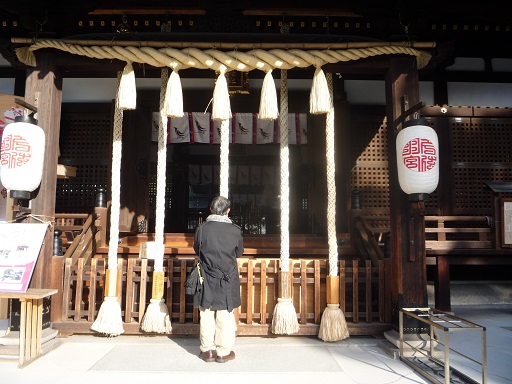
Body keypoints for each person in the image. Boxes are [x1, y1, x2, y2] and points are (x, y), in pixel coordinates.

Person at [193, 195, 244, 363]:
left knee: (206, 312)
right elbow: (239, 253)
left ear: (211, 209)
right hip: (227, 277)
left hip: (206, 276)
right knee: (225, 313)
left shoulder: (202, 229)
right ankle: (222, 352)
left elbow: (197, 249)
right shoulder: (235, 230)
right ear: (228, 212)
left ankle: (207, 351)